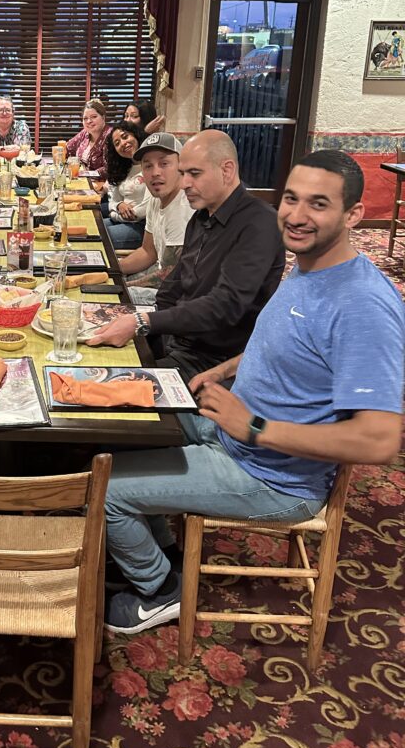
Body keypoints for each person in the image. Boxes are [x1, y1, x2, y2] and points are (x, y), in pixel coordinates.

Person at [103, 150, 405, 634]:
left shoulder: (363, 305)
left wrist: (255, 428)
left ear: (353, 215)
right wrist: (224, 369)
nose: (297, 215)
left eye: (318, 204)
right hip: (232, 431)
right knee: (124, 421)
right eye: (291, 198)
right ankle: (162, 550)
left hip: (274, 477)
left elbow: (379, 440)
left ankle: (160, 590)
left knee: (104, 487)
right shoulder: (310, 268)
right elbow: (290, 343)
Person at [88, 130, 285, 382]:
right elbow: (173, 285)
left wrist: (143, 321)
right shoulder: (201, 217)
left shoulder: (258, 223)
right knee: (90, 341)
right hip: (176, 339)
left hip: (213, 360)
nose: (184, 184)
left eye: (194, 173)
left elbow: (224, 306)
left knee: (110, 387)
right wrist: (142, 321)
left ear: (227, 170)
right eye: (184, 173)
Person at [118, 132, 195, 301]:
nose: (155, 173)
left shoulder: (183, 207)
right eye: (148, 166)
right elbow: (148, 252)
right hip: (162, 276)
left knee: (112, 296)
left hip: (181, 297)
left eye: (164, 163)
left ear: (181, 166)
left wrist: (121, 286)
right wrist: (111, 269)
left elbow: (170, 277)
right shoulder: (155, 198)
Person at [102, 122, 148, 251]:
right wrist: (119, 205)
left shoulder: (151, 165)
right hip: (121, 219)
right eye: (117, 143)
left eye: (125, 136)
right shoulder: (123, 168)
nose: (122, 143)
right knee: (89, 227)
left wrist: (115, 215)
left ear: (136, 136)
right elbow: (113, 200)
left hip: (143, 226)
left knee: (97, 237)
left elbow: (142, 211)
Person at [66, 98, 112, 179]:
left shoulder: (110, 136)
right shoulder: (85, 133)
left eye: (94, 117)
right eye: (85, 118)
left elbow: (108, 169)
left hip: (102, 183)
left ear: (103, 117)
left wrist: (83, 173)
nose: (89, 121)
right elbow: (67, 148)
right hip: (83, 179)